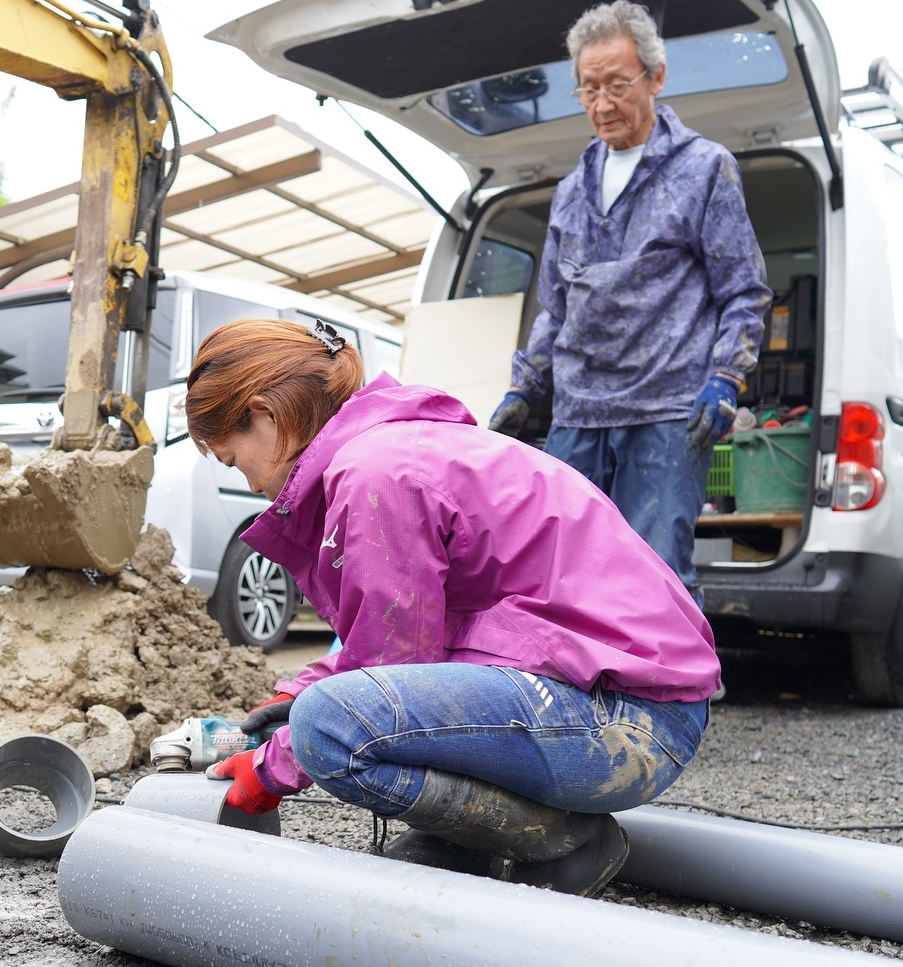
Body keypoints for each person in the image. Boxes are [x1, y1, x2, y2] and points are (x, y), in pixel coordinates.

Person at [194, 319, 720, 897]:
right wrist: (295, 695)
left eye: (232, 459)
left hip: (626, 723)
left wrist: (271, 768)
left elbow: (392, 667)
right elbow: (417, 634)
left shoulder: (376, 473)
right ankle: (466, 840)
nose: (247, 482)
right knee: (325, 709)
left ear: (266, 415)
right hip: (617, 702)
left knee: (330, 728)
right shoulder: (395, 449)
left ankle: (559, 840)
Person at [488, 0, 771, 602]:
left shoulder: (704, 169)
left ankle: (671, 671)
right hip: (579, 411)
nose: (602, 105)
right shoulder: (570, 192)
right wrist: (523, 388)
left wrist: (727, 375)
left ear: (656, 77)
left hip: (666, 410)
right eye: (589, 89)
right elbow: (555, 309)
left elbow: (744, 289)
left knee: (654, 579)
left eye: (617, 85)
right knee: (561, 574)